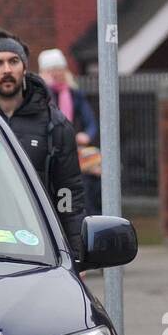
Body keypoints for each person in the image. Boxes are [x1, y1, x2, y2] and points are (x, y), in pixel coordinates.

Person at [0, 27, 84, 254]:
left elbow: (69, 193)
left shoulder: (54, 124)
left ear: (24, 67)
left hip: (37, 248)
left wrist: (77, 254)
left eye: (13, 61)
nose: (6, 70)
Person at [38, 48, 102, 216]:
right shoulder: (40, 95)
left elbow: (91, 122)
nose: (56, 73)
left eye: (59, 69)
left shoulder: (74, 94)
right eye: (51, 70)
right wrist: (46, 87)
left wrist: (86, 135)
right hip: (50, 148)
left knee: (94, 172)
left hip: (72, 147)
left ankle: (89, 214)